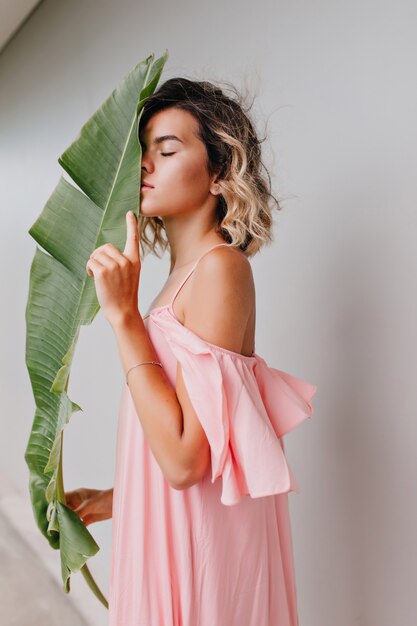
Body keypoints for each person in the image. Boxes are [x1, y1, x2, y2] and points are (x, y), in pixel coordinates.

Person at [65, 77, 317, 626]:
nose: (146, 166)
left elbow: (185, 463)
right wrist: (114, 499)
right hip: (178, 538)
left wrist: (124, 319)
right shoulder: (176, 282)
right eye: (143, 153)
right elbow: (191, 443)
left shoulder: (221, 269)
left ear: (221, 171)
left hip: (203, 556)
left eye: (168, 149)